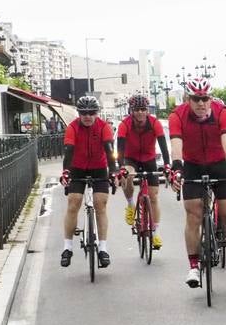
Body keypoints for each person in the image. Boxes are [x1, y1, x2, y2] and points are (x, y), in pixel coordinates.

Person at [168, 77, 226, 288]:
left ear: (210, 98)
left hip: (219, 163)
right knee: (193, 214)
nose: (201, 103)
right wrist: (177, 168)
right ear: (188, 99)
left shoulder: (223, 112)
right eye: (196, 99)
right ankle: (193, 266)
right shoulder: (177, 115)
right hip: (192, 165)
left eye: (205, 98)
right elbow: (176, 143)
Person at [59, 95, 118, 268]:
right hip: (77, 168)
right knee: (73, 202)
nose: (87, 116)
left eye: (92, 113)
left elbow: (109, 150)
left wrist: (113, 171)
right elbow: (68, 151)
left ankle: (103, 248)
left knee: (100, 204)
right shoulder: (72, 127)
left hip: (99, 168)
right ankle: (67, 247)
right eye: (84, 113)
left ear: (97, 113)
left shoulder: (104, 127)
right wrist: (66, 172)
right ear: (78, 113)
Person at [116, 93, 169, 251]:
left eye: (143, 109)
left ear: (147, 111)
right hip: (130, 158)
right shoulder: (124, 125)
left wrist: (167, 165)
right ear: (131, 111)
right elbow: (120, 149)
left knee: (153, 197)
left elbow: (164, 146)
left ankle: (156, 233)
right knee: (128, 175)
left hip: (149, 159)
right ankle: (131, 204)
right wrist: (121, 168)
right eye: (136, 109)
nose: (140, 112)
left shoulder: (155, 123)